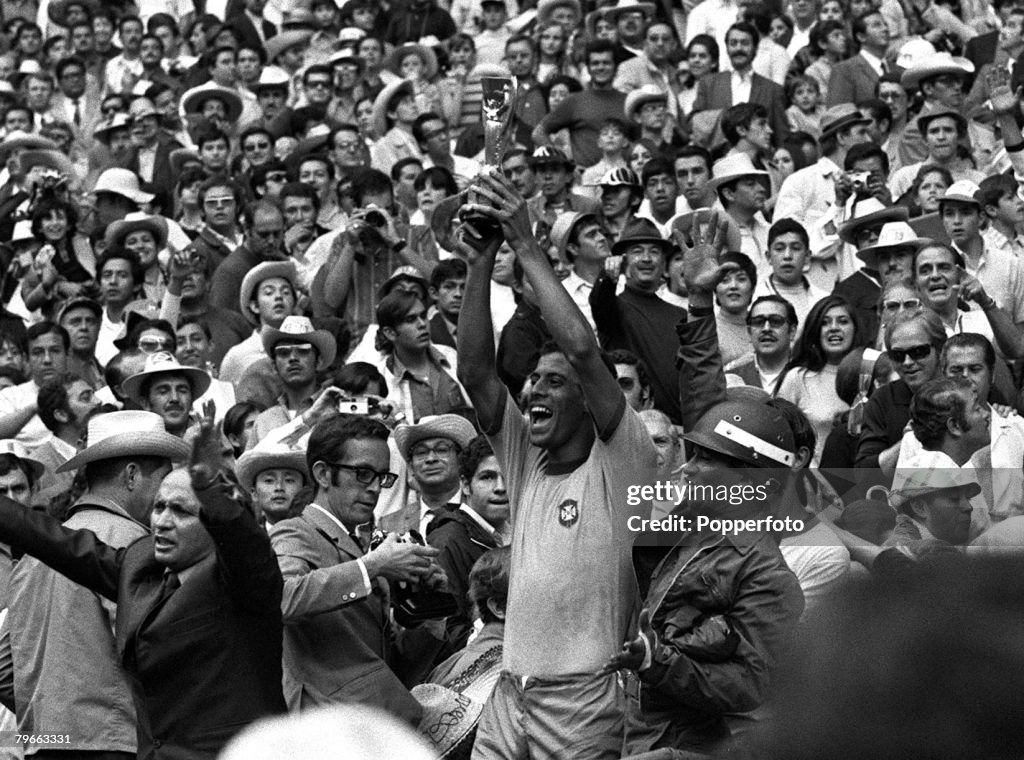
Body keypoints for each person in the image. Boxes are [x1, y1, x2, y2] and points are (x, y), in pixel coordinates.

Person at [457, 170, 658, 758]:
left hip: (585, 699)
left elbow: (579, 348)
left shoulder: (624, 456)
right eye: (531, 381)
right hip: (509, 690)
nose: (533, 393)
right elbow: (476, 376)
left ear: (588, 400)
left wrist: (526, 244)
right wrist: (478, 261)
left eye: (552, 384)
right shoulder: (526, 461)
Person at [0, 418, 287, 759]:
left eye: (180, 510)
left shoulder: (245, 582)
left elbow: (247, 547)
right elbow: (49, 538)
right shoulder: (137, 565)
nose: (162, 521)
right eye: (159, 507)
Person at [0, 411, 187, 759]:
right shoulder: (135, 547)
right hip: (116, 744)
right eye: (163, 478)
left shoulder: (34, 555)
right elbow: (155, 653)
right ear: (131, 475)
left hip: (45, 744)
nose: (167, 494)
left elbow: (2, 663)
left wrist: (55, 717)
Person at [269, 414, 448, 722]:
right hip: (326, 729)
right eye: (363, 473)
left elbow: (388, 667)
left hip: (370, 723)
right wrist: (373, 565)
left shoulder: (359, 545)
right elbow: (281, 599)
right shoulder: (294, 531)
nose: (375, 488)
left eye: (382, 477)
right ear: (323, 474)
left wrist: (431, 611)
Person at [774, 295, 863, 466]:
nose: (834, 328)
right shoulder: (797, 377)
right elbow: (779, 434)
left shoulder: (870, 373)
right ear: (815, 330)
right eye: (825, 322)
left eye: (843, 321)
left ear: (855, 328)